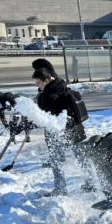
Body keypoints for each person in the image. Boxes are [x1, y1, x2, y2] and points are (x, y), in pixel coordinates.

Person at [32, 68, 93, 196]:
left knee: (56, 159)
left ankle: (60, 188)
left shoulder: (48, 96)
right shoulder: (61, 86)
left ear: (47, 80)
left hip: (58, 131)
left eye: (38, 83)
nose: (37, 85)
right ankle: (91, 182)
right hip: (76, 127)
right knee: (81, 156)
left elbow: (41, 117)